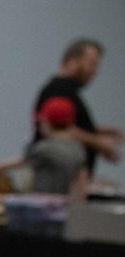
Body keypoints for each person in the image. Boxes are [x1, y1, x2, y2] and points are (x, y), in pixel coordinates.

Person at [32, 39, 121, 173]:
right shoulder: (59, 90)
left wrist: (93, 130)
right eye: (91, 64)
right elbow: (59, 130)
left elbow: (66, 126)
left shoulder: (65, 90)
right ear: (71, 61)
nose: (95, 71)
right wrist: (99, 143)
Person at [26, 98, 88, 196]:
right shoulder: (78, 149)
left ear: (46, 123)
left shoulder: (43, 149)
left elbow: (23, 163)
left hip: (41, 205)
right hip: (66, 205)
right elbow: (82, 181)